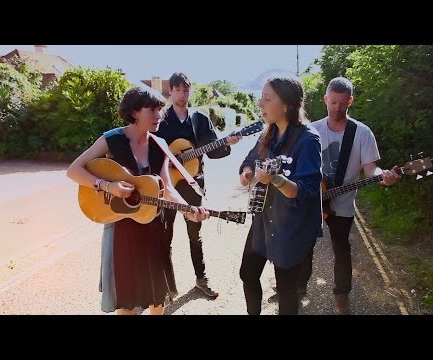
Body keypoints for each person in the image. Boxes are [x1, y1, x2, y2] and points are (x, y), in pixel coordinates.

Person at [66, 86, 210, 315]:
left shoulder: (160, 145)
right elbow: (74, 171)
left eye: (160, 110)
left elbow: (167, 187)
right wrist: (107, 186)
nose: (159, 115)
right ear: (134, 112)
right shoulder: (111, 140)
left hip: (154, 227)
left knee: (157, 297)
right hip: (122, 230)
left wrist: (188, 209)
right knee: (127, 301)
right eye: (152, 110)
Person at [302, 76, 399, 315]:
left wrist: (382, 176)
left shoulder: (362, 133)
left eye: (342, 103)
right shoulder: (312, 130)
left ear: (350, 101)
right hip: (312, 201)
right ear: (326, 99)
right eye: (333, 102)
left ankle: (341, 296)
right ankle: (298, 287)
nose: (337, 108)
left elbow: (371, 168)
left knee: (342, 251)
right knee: (304, 247)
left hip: (343, 205)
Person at [238, 77, 323, 315]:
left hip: (292, 226)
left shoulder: (308, 139)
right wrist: (247, 173)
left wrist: (275, 179)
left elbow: (306, 190)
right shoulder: (268, 133)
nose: (260, 103)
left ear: (286, 105)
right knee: (247, 274)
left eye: (267, 99)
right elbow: (249, 160)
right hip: (264, 219)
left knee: (286, 288)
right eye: (261, 97)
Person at [155, 72, 241, 298]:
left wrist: (227, 143)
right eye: (178, 89)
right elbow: (152, 150)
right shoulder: (161, 120)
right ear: (170, 91)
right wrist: (168, 165)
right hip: (168, 185)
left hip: (193, 184)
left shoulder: (200, 119)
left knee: (195, 234)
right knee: (165, 236)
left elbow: (213, 151)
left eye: (186, 89)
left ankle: (201, 280)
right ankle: (166, 286)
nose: (182, 93)